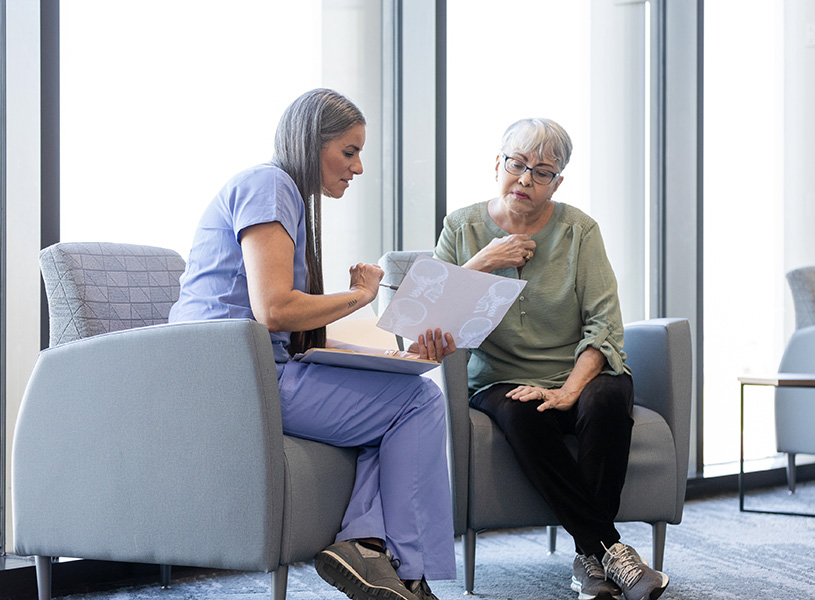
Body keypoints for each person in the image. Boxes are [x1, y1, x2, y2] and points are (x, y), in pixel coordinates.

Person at [169, 88, 456, 600]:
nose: (359, 168)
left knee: (405, 393)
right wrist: (359, 295)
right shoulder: (270, 184)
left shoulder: (281, 195)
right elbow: (276, 309)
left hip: (252, 369)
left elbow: (300, 342)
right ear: (311, 143)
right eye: (349, 152)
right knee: (418, 404)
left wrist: (393, 359)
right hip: (235, 379)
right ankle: (407, 571)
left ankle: (368, 547)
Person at [433, 118, 669, 600]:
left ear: (557, 182)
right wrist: (484, 262)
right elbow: (432, 323)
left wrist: (566, 391)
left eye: (541, 172)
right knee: (522, 412)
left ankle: (590, 560)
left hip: (580, 370)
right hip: (500, 376)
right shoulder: (461, 226)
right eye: (516, 165)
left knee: (607, 400)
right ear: (496, 164)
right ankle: (610, 551)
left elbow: (604, 325)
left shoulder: (580, 231)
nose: (524, 180)